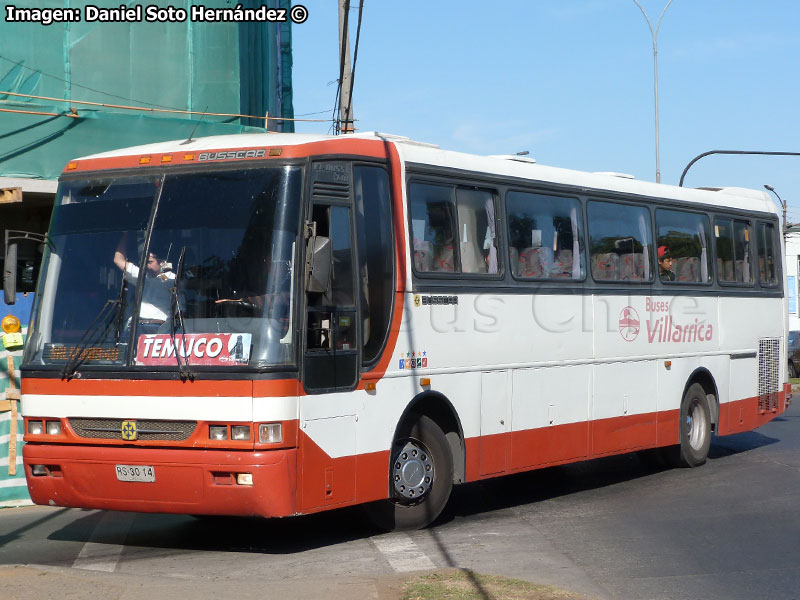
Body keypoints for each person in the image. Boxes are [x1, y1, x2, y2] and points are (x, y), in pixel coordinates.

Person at [113, 238, 176, 332]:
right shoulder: (142, 276)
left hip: (160, 329)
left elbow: (180, 309)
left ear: (162, 262)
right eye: (145, 262)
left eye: (150, 262)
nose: (146, 265)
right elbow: (118, 260)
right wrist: (126, 234)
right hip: (136, 327)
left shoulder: (172, 279)